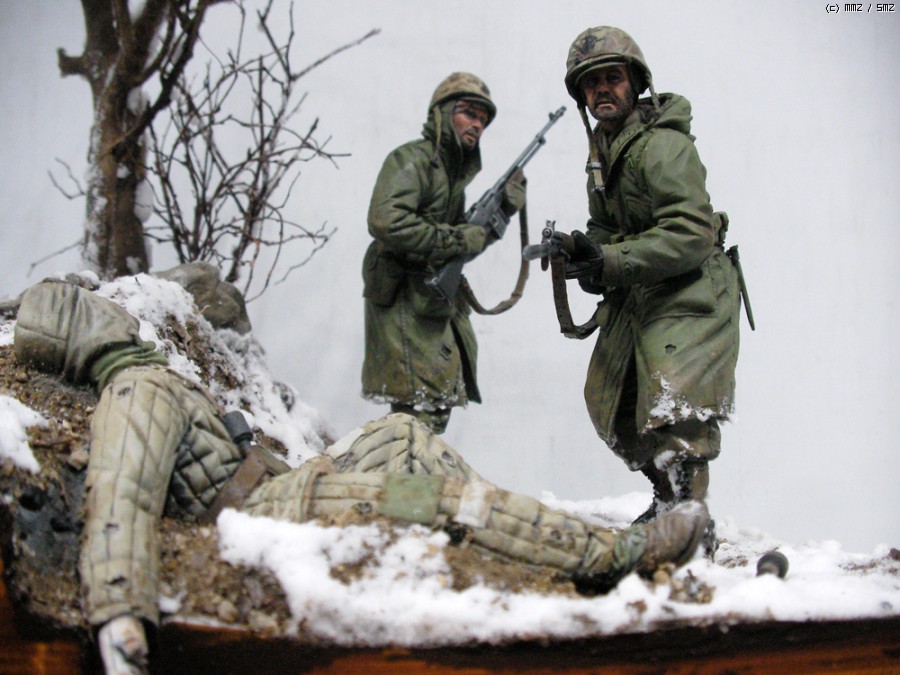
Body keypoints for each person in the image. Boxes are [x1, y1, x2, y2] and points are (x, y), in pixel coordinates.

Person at [14, 279, 708, 674]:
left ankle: (522, 543)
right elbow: (122, 497)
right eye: (91, 310)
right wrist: (121, 618)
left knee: (402, 434)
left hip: (284, 483)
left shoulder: (151, 379)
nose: (111, 310)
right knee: (437, 500)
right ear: (83, 332)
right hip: (274, 508)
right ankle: (608, 556)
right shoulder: (136, 392)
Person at [553, 27, 742, 550]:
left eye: (612, 77)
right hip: (639, 288)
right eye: (591, 83)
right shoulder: (602, 151)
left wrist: (611, 259)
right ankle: (665, 498)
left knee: (674, 407)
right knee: (611, 405)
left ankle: (689, 520)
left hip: (688, 290)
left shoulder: (663, 146)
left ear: (636, 83)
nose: (602, 90)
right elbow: (605, 226)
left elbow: (690, 233)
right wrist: (585, 253)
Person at [361, 72, 527, 434]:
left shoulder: (452, 177)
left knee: (431, 410)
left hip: (428, 299)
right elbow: (386, 221)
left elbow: (458, 249)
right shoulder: (412, 160)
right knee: (418, 412)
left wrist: (502, 211)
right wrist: (457, 239)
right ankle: (404, 468)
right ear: (442, 112)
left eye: (483, 119)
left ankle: (411, 467)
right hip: (403, 297)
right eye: (468, 113)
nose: (477, 124)